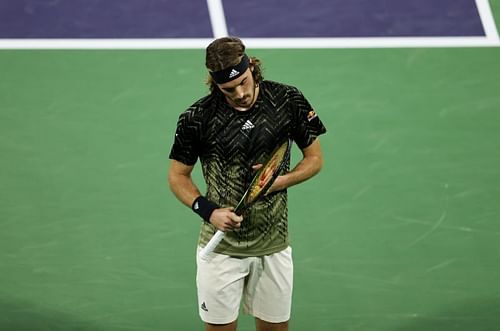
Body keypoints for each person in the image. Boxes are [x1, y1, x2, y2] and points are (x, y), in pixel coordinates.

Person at [168, 36, 327, 331]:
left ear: (252, 67)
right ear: (215, 85)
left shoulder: (287, 100)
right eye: (229, 89)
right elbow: (177, 176)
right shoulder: (197, 118)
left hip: (273, 246)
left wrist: (280, 181)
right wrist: (209, 211)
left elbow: (315, 159)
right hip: (221, 251)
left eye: (243, 81)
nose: (240, 93)